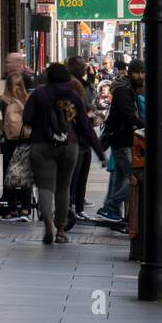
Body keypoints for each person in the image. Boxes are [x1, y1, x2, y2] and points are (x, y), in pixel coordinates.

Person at [24, 63, 105, 244]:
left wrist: (42, 123)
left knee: (45, 188)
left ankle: (48, 225)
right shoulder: (74, 96)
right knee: (63, 188)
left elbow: (27, 119)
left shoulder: (39, 94)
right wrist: (100, 152)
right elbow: (85, 126)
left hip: (42, 145)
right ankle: (61, 230)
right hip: (70, 145)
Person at [95, 60, 144, 225]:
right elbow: (129, 116)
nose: (141, 76)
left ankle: (111, 211)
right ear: (131, 72)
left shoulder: (130, 89)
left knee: (121, 178)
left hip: (126, 141)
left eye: (143, 72)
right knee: (136, 178)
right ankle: (110, 206)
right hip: (122, 141)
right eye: (138, 72)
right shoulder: (124, 91)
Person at [0, 71, 32, 221]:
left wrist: (2, 133)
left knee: (9, 175)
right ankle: (26, 210)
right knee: (24, 174)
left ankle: (12, 210)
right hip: (25, 140)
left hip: (9, 141)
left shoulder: (1, 100)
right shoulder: (27, 99)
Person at [66, 56, 97, 225]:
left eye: (84, 65)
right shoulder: (70, 84)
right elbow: (75, 110)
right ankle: (70, 207)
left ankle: (79, 207)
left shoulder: (82, 84)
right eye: (80, 65)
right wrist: (88, 114)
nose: (84, 68)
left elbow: (89, 100)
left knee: (83, 174)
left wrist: (91, 78)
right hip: (75, 137)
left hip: (84, 137)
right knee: (74, 175)